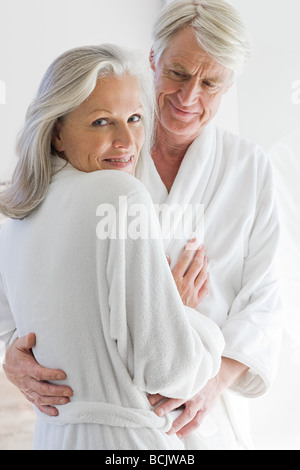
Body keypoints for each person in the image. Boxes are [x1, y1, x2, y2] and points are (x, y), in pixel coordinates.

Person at [3, 0, 283, 450]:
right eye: (176, 73)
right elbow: (33, 269)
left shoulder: (249, 169)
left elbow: (266, 301)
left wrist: (211, 383)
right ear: (153, 58)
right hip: (106, 417)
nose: (189, 97)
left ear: (229, 84)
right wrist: (9, 354)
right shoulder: (99, 157)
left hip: (205, 417)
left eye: (210, 83)